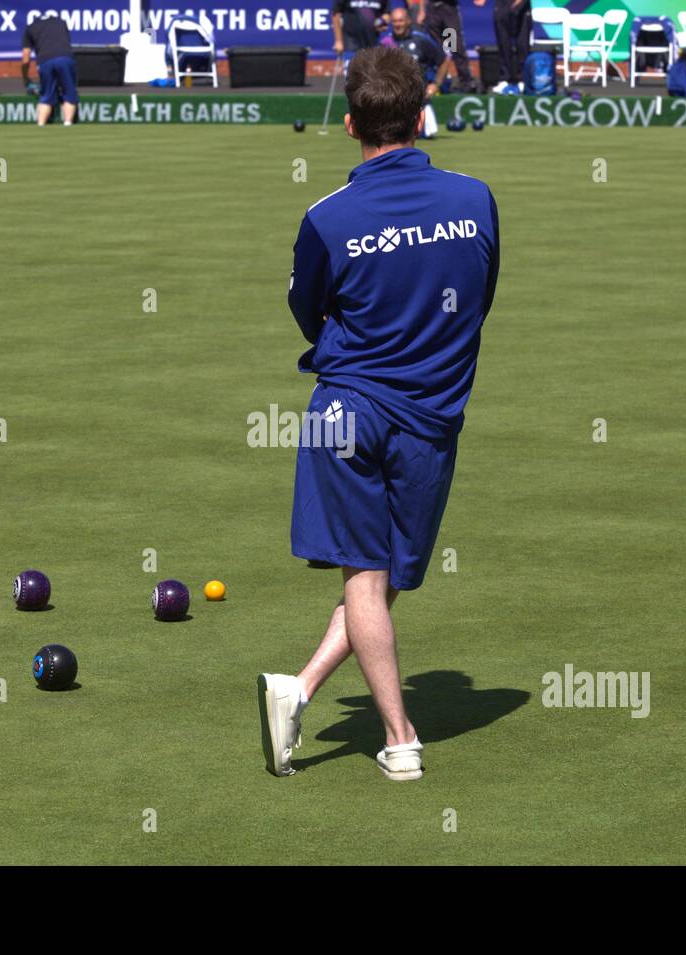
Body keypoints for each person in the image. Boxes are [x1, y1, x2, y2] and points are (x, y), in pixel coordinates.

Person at [259, 46, 500, 782]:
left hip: (348, 411)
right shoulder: (475, 197)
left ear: (350, 124)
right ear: (422, 115)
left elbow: (306, 313)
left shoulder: (328, 216)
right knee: (375, 575)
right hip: (431, 415)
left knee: (376, 576)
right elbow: (480, 295)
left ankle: (296, 690)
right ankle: (400, 735)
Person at [380, 6, 444, 137]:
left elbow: (444, 61)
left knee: (426, 135)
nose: (398, 24)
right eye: (395, 21)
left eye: (401, 21)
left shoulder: (421, 40)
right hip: (393, 104)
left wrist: (436, 84)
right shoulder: (385, 43)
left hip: (420, 103)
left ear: (408, 21)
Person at [21, 13, 79, 126]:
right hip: (65, 57)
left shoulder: (30, 27)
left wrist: (25, 77)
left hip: (44, 61)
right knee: (69, 93)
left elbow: (25, 59)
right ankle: (67, 124)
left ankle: (40, 125)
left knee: (46, 96)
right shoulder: (61, 23)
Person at [418, 0, 478, 92]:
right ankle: (438, 82)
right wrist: (422, 10)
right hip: (432, 8)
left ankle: (466, 81)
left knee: (455, 44)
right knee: (435, 47)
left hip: (448, 7)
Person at [488, 0, 531, 93]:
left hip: (522, 7)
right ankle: (505, 79)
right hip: (502, 6)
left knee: (522, 45)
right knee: (503, 44)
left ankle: (522, 80)